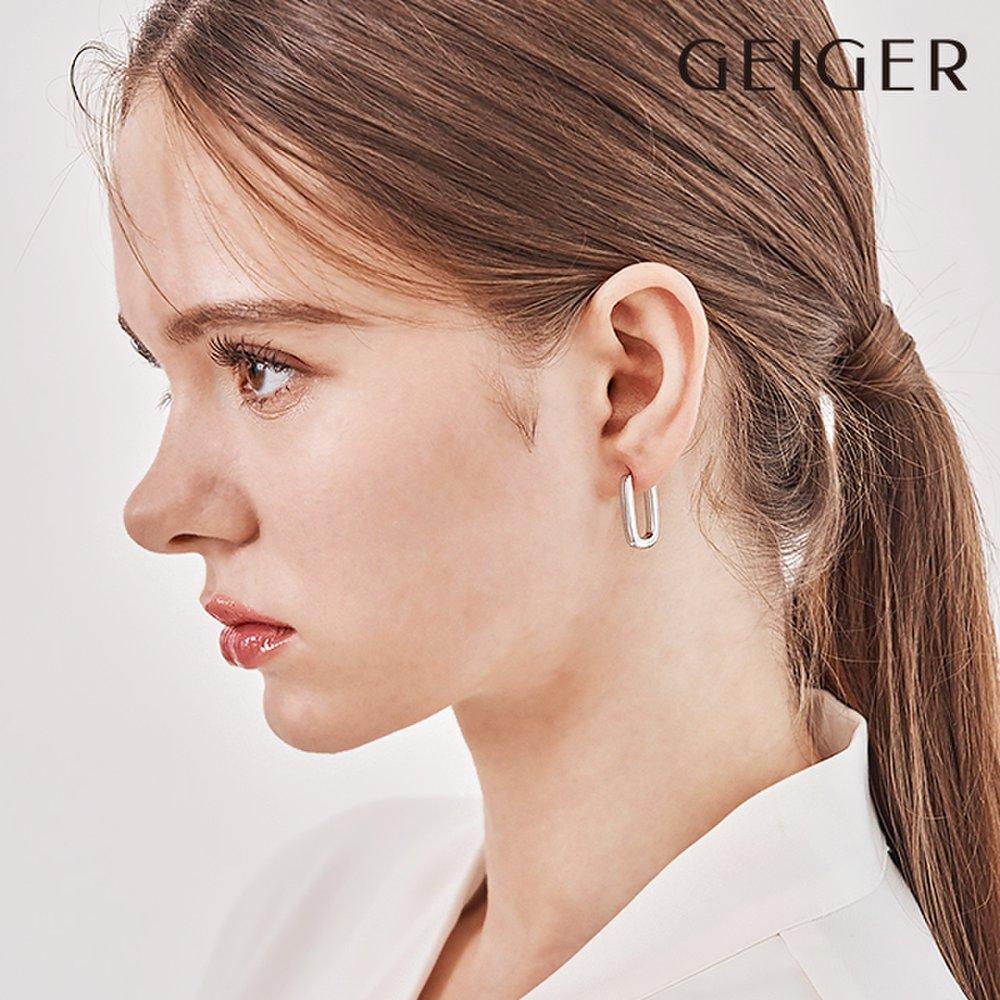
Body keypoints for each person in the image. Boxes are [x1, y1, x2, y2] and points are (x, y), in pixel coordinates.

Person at [71, 1, 998, 997]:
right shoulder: (317, 916)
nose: (155, 509)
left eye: (260, 367)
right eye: (166, 376)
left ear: (628, 385)